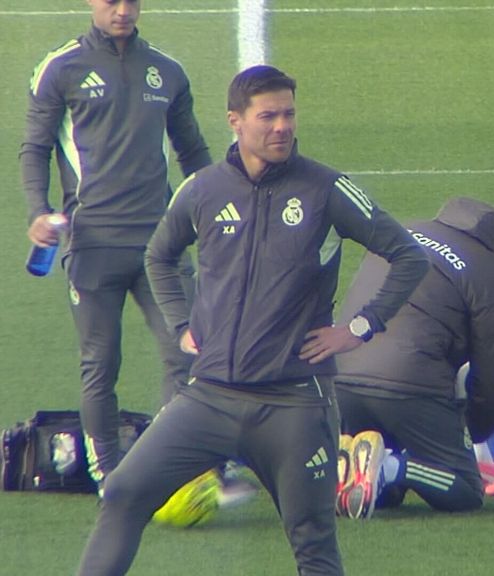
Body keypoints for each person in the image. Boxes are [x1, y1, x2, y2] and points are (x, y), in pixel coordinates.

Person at [76, 65, 429, 576]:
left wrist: (358, 328)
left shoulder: (326, 189)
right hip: (209, 397)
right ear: (235, 122)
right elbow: (159, 255)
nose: (282, 126)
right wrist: (180, 326)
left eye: (288, 114)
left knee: (312, 542)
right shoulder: (202, 190)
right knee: (124, 493)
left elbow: (408, 256)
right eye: (268, 116)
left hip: (294, 405)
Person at [20, 0, 211, 489]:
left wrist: (218, 214)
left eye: (131, 1)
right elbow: (35, 148)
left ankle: (170, 466)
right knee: (100, 364)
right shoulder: (59, 68)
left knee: (187, 354)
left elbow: (192, 152)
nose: (123, 10)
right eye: (111, 1)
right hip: (94, 244)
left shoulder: (167, 71)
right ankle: (110, 475)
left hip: (160, 245)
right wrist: (38, 211)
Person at [334, 198, 494, 519]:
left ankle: (347, 458)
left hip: (342, 375)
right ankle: (390, 465)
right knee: (465, 488)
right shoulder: (492, 273)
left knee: (386, 497)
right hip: (407, 386)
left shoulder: (404, 230)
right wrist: (475, 428)